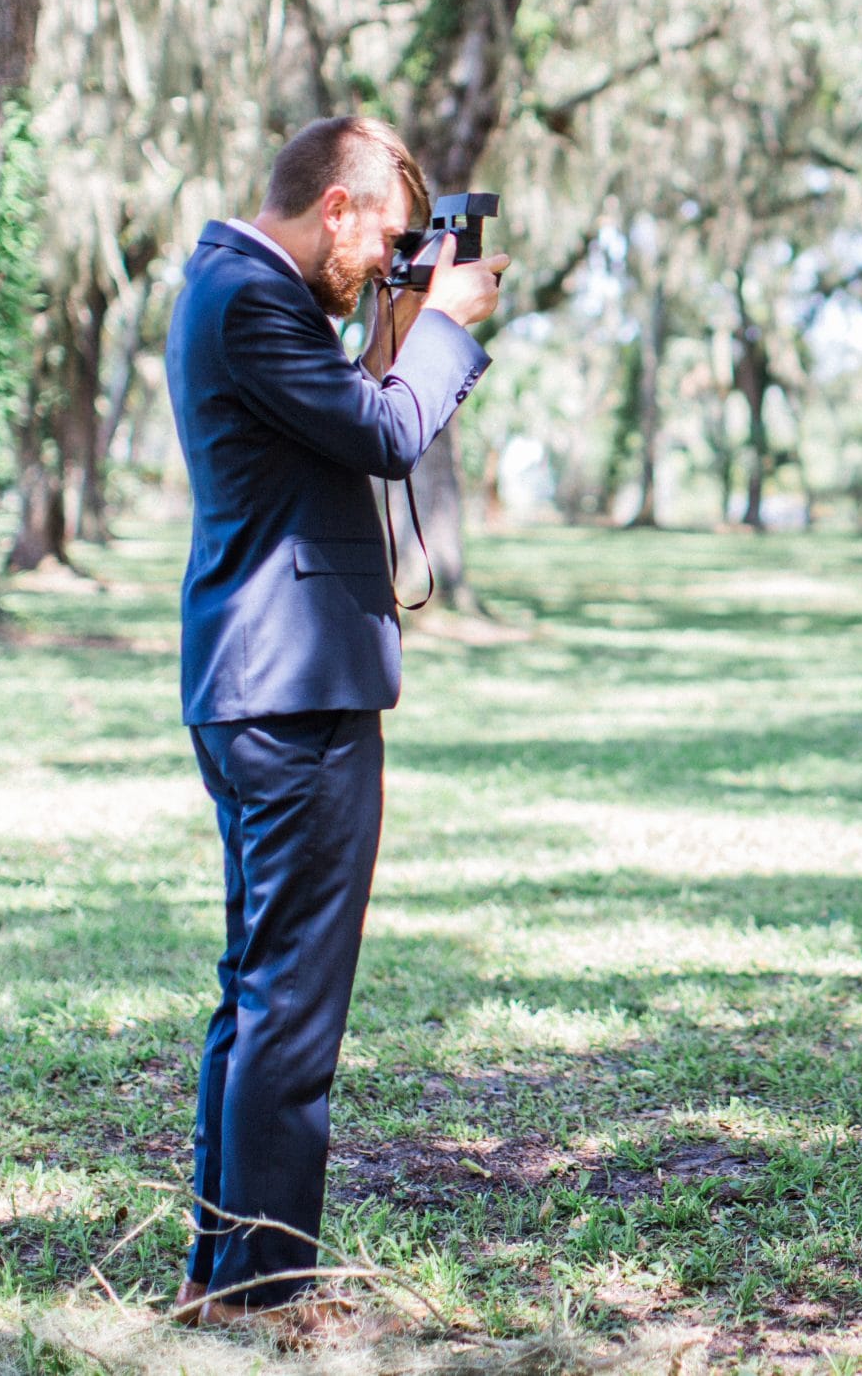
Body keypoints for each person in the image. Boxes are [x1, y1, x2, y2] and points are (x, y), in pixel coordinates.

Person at [163, 117, 507, 1335]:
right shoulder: (253, 301)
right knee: (290, 1004)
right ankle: (263, 1291)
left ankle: (227, 1276)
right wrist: (451, 322)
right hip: (291, 690)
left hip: (267, 679)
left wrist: (404, 325)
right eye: (389, 244)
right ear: (339, 208)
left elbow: (357, 409)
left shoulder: (241, 289)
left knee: (258, 992)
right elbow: (386, 431)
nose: (391, 264)